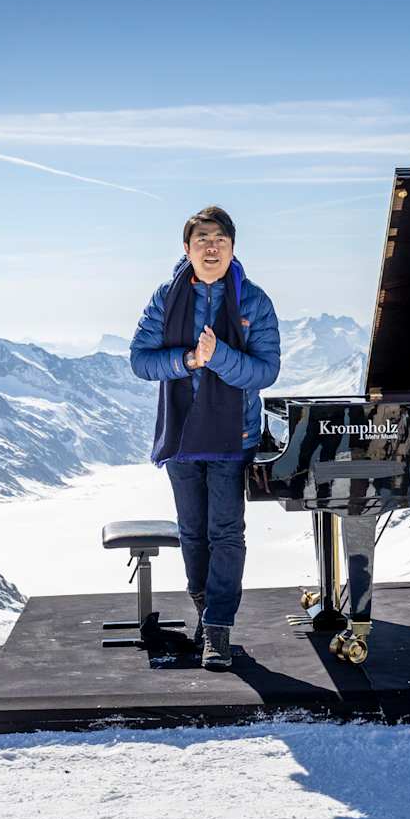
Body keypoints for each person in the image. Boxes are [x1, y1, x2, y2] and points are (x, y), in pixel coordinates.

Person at [129, 206, 280, 669]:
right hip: (181, 436)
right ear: (187, 248)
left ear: (233, 247)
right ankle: (204, 613)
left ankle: (218, 628)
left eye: (219, 239)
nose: (211, 247)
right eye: (202, 239)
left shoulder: (253, 301)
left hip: (232, 436)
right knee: (193, 532)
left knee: (226, 533)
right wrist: (189, 361)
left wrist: (218, 358)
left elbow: (265, 371)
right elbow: (140, 360)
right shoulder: (164, 297)